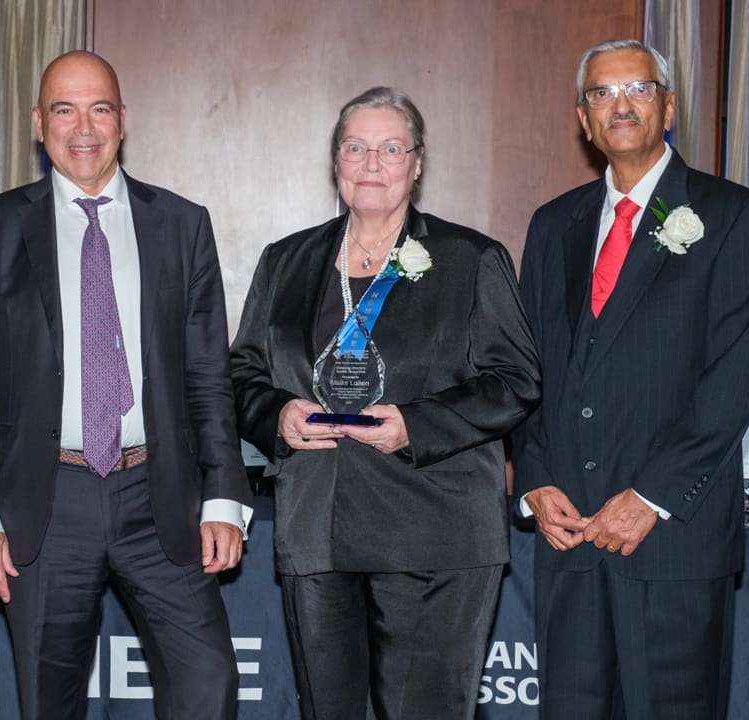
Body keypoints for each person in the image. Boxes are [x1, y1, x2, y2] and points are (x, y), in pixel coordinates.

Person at [230, 86, 541, 720]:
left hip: (436, 531)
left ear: (418, 163)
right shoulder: (286, 261)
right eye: (356, 147)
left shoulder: (470, 259)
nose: (372, 163)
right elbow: (241, 374)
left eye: (391, 148)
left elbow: (516, 379)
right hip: (318, 530)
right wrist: (276, 416)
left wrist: (415, 424)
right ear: (335, 161)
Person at [0, 50, 253, 719]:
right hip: (44, 502)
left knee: (208, 684)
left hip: (163, 497)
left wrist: (223, 497)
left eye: (100, 108)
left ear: (123, 120)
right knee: (48, 700)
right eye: (64, 109)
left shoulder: (181, 223)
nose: (82, 126)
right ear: (40, 123)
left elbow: (209, 374)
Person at [513, 39, 749, 719]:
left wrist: (652, 497)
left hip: (671, 542)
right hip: (568, 538)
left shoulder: (734, 216)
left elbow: (735, 380)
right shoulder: (553, 225)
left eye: (637, 88)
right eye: (602, 93)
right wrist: (535, 477)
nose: (620, 104)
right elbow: (525, 368)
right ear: (584, 118)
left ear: (668, 106)